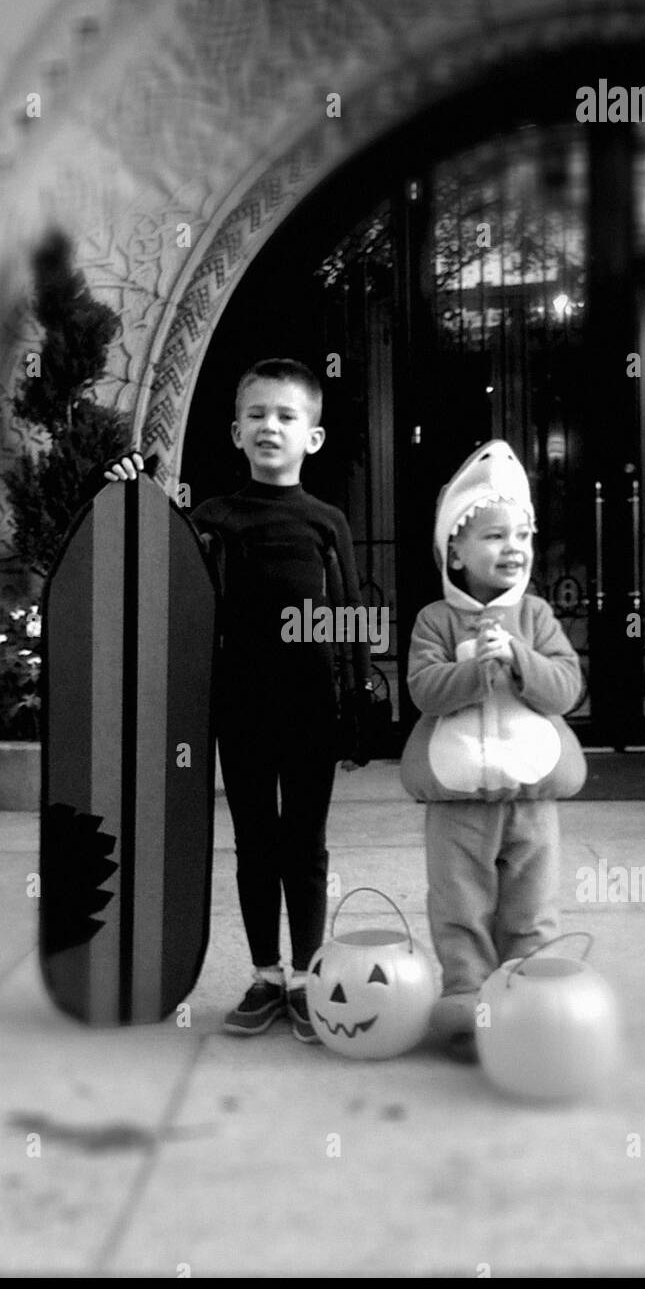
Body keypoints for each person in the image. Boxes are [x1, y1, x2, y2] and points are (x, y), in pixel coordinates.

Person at [104, 359, 372, 1042]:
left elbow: (348, 611)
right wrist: (124, 497)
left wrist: (360, 697)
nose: (270, 427)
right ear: (234, 430)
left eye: (286, 416)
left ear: (312, 436)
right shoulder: (212, 518)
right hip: (240, 705)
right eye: (256, 415)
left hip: (311, 706)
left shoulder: (328, 521)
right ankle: (265, 975)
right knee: (254, 844)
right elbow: (166, 584)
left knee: (305, 846)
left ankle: (310, 979)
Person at [399, 441, 587, 1061]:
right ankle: (466, 1002)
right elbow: (423, 690)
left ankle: (532, 1002)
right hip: (456, 805)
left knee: (532, 909)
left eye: (523, 535)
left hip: (532, 801)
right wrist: (473, 669)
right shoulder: (434, 621)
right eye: (494, 536)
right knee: (459, 906)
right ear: (455, 550)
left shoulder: (535, 616)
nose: (513, 548)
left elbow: (565, 688)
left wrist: (519, 659)